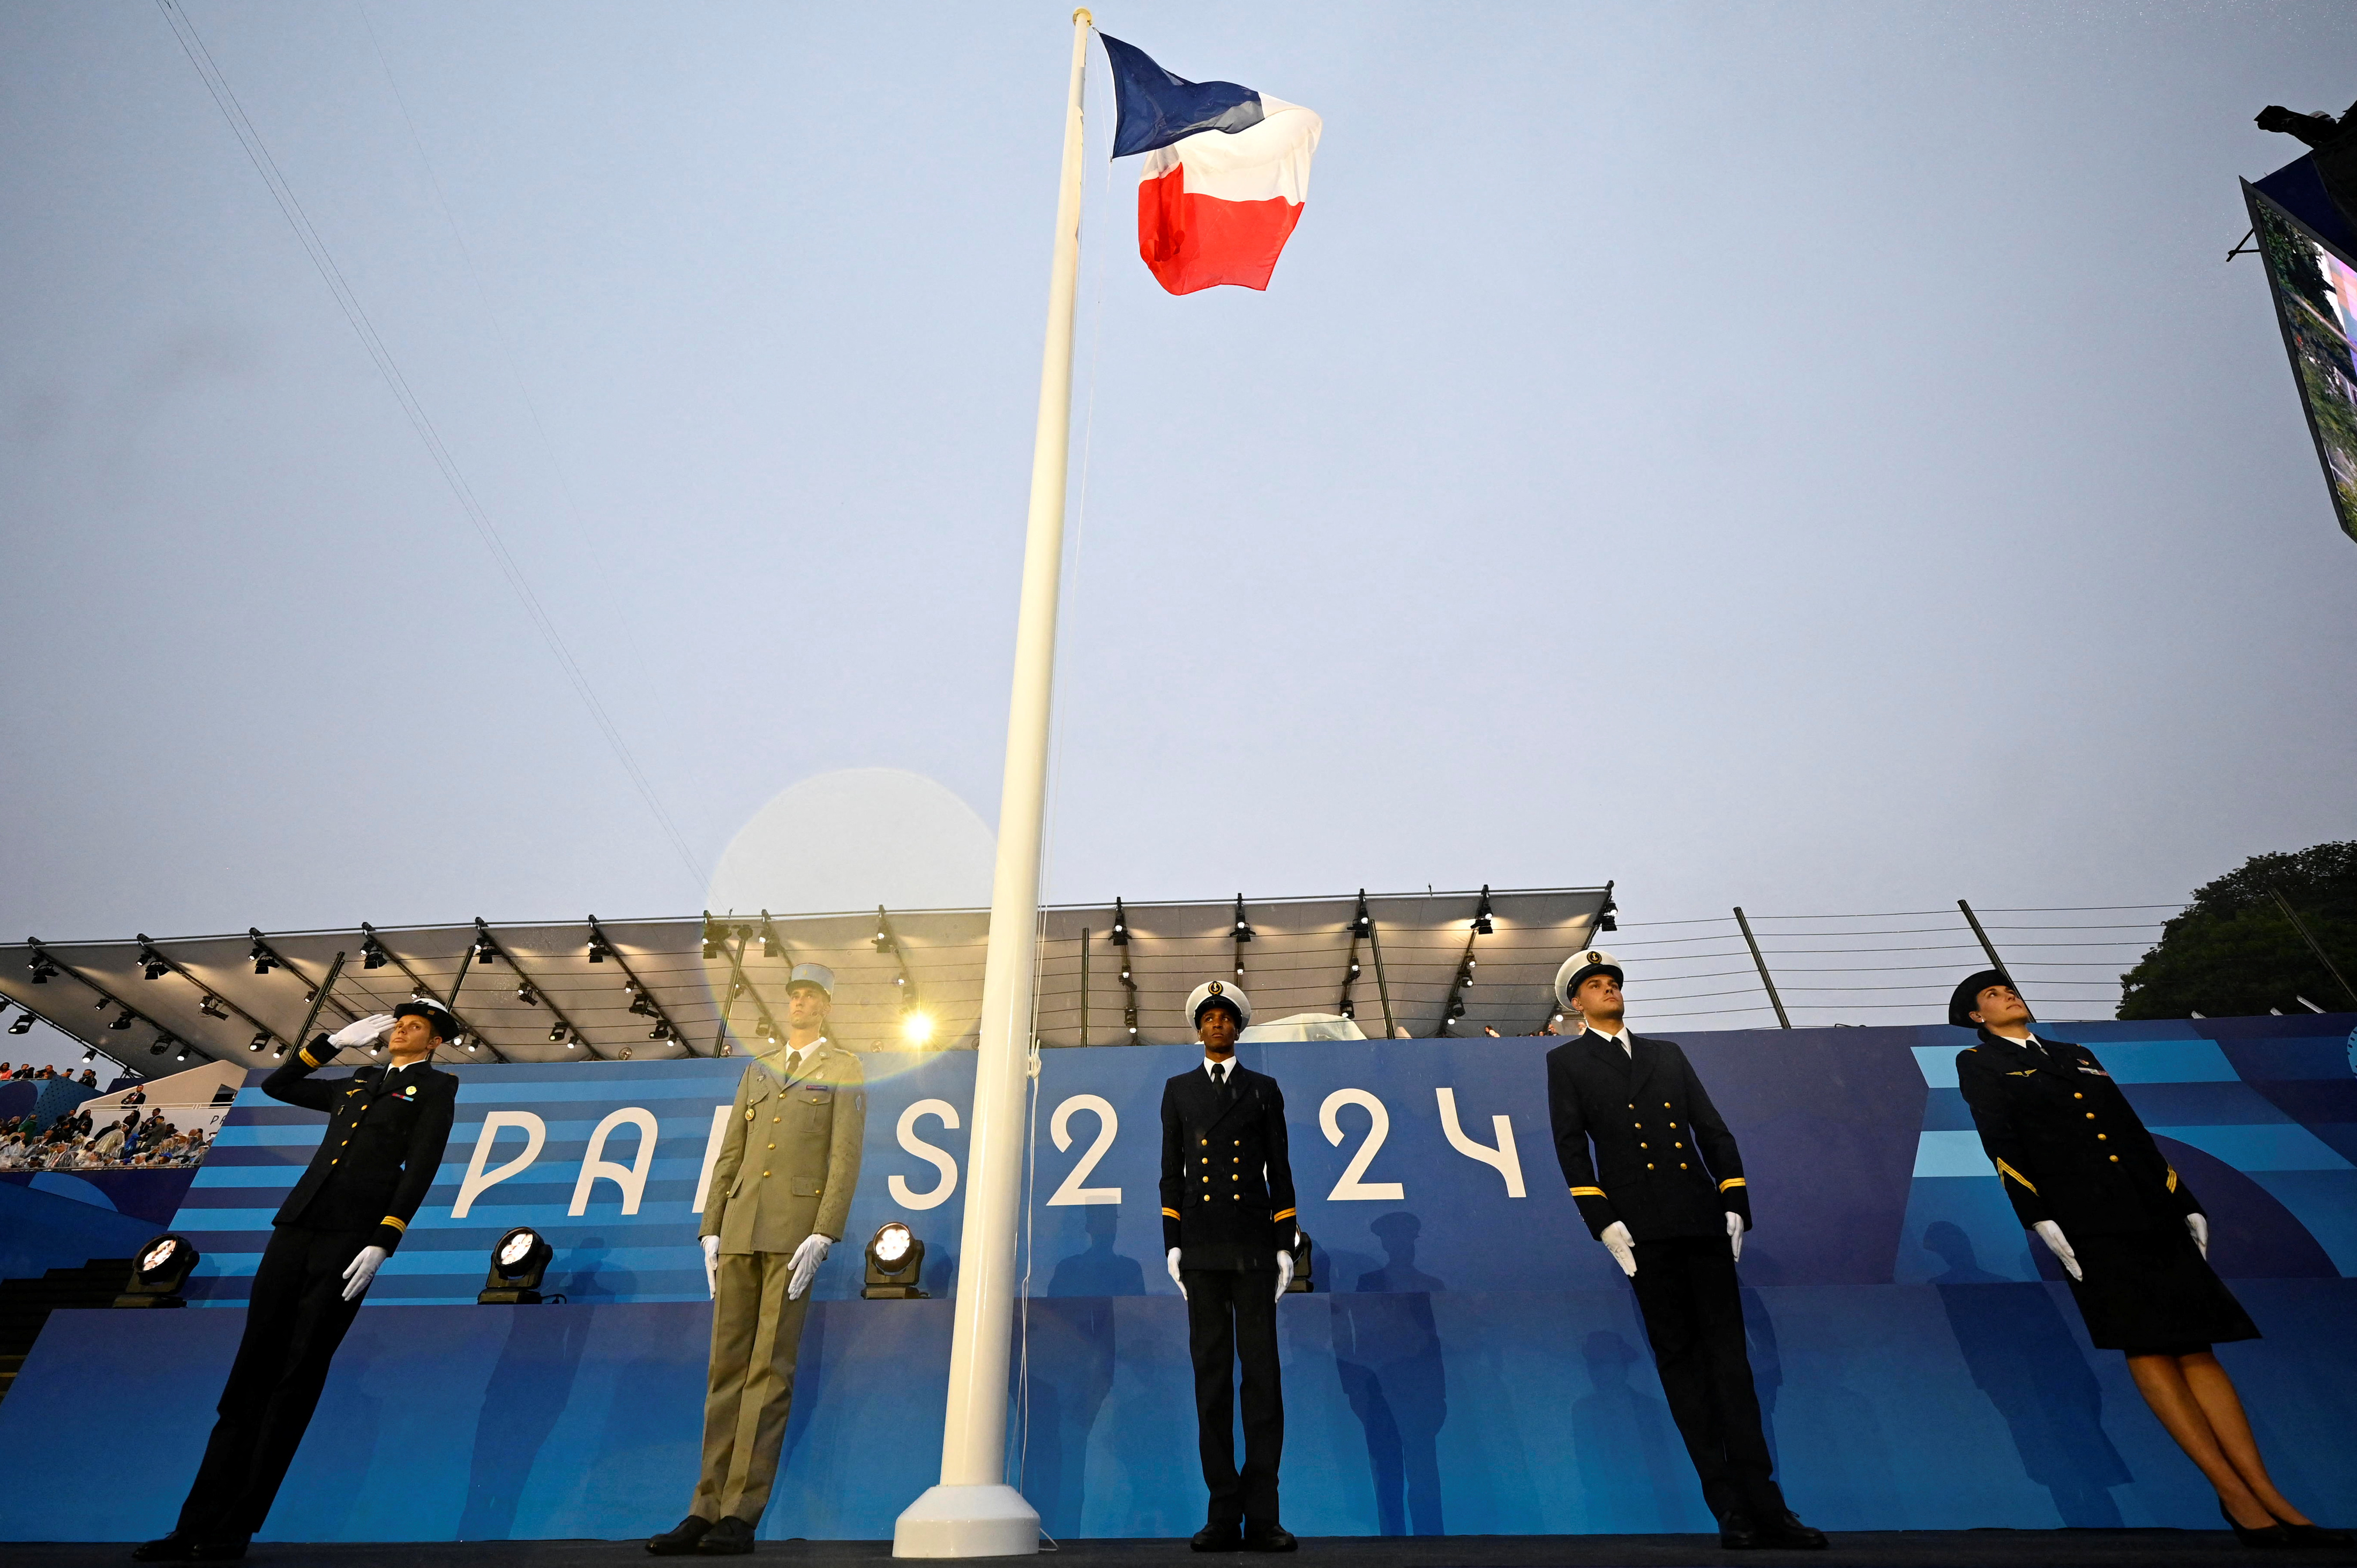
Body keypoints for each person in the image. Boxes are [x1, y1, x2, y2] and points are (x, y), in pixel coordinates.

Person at [1949, 970, 2351, 1549]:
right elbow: (2001, 1141)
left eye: (2010, 988)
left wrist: (2182, 1200)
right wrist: (2037, 1215)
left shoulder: (2075, 1053)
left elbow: (2131, 1132)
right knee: (2149, 1346)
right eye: (1993, 994)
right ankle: (2235, 1498)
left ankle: (2269, 1493)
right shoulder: (1978, 1063)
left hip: (2150, 1210)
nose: (2010, 995)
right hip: (2087, 1222)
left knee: (2199, 1345)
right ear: (1975, 1018)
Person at [134, 1000, 459, 1563]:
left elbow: (424, 1164)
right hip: (297, 1226)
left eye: (415, 1028)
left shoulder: (436, 1087)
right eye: (399, 1024)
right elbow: (280, 1084)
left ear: (432, 1043)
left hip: (351, 1237)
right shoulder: (357, 1081)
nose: (401, 1030)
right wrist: (333, 1041)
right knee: (249, 1376)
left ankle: (233, 1528)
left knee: (296, 1376)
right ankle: (192, 1525)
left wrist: (386, 1239)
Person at [1545, 950, 1825, 1551]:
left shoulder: (1665, 1055)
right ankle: (1731, 1511)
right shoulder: (1567, 1062)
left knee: (1732, 1368)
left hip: (1699, 1221)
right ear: (1576, 1004)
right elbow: (1571, 1148)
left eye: (1613, 982)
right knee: (1684, 1370)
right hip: (1642, 1232)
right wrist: (1604, 1223)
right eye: (1595, 985)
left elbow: (1713, 1130)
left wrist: (1734, 1202)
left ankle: (1769, 1507)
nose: (1609, 990)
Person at [649, 964, 864, 1557]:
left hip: (793, 1235)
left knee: (771, 1373)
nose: (800, 1004)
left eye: (811, 997)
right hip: (740, 1229)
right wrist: (710, 1227)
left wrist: (825, 1231)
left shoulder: (843, 1069)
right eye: (794, 996)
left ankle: (741, 1513)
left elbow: (844, 1158)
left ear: (825, 1006)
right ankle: (703, 1507)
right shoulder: (757, 1068)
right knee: (725, 1373)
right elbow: (731, 1154)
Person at [1160, 980, 1299, 1554]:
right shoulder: (1179, 1090)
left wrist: (1285, 1241)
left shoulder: (1264, 1090)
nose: (1218, 1025)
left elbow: (1280, 1170)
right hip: (1202, 1247)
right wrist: (1173, 1242)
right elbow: (1173, 1172)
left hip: (1252, 1247)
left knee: (1263, 1381)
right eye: (1209, 1018)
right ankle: (1222, 1514)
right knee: (1211, 1382)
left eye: (1226, 1018)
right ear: (1198, 1029)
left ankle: (1264, 1516)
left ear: (1238, 1029)